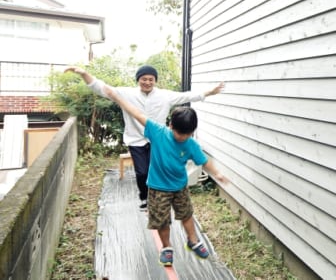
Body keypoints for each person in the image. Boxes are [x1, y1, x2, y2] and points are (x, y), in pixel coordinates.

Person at [64, 65, 224, 209]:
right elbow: (102, 88)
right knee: (141, 172)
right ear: (138, 80)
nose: (147, 82)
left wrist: (210, 92)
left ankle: (156, 198)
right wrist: (84, 74)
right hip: (136, 139)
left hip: (158, 141)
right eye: (144, 79)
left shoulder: (164, 95)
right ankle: (144, 198)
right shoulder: (127, 93)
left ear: (155, 80)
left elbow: (187, 96)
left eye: (150, 79)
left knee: (156, 171)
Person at [103, 83, 228, 265]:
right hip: (158, 187)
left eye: (187, 134)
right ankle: (167, 247)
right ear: (170, 125)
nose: (182, 137)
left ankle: (192, 241)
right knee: (162, 221)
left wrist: (217, 173)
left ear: (192, 132)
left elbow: (204, 161)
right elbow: (137, 113)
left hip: (180, 187)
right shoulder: (158, 132)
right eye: (179, 133)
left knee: (186, 214)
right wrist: (117, 98)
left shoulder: (191, 144)